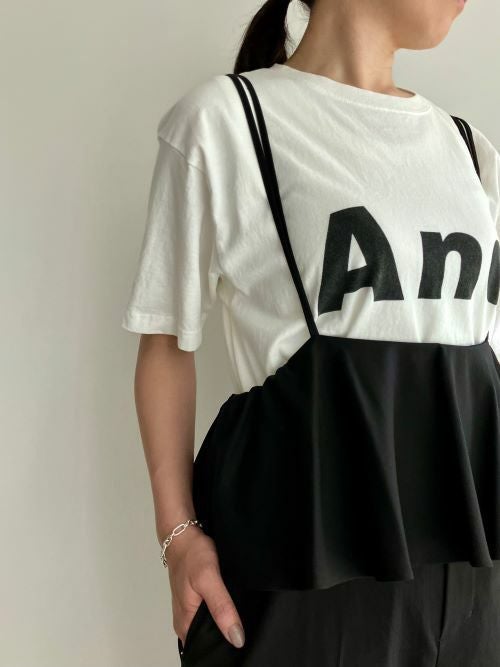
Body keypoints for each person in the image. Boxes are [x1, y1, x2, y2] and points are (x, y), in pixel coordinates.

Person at [121, 0, 500, 664]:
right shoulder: (226, 120)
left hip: (470, 582)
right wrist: (177, 535)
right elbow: (165, 341)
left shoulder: (469, 150)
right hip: (301, 564)